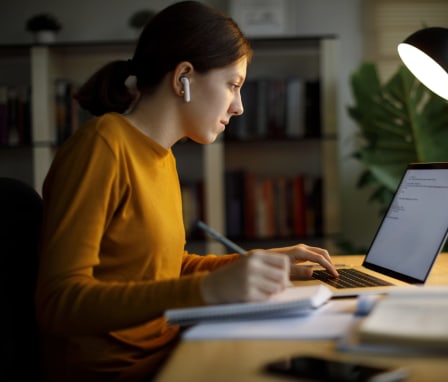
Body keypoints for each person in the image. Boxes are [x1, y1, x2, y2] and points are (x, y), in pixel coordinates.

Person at [35, 1, 339, 381]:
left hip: (172, 349)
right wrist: (208, 290)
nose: (240, 106)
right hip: (121, 372)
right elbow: (59, 302)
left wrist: (260, 263)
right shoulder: (102, 146)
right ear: (184, 77)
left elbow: (165, 268)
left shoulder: (162, 156)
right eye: (233, 85)